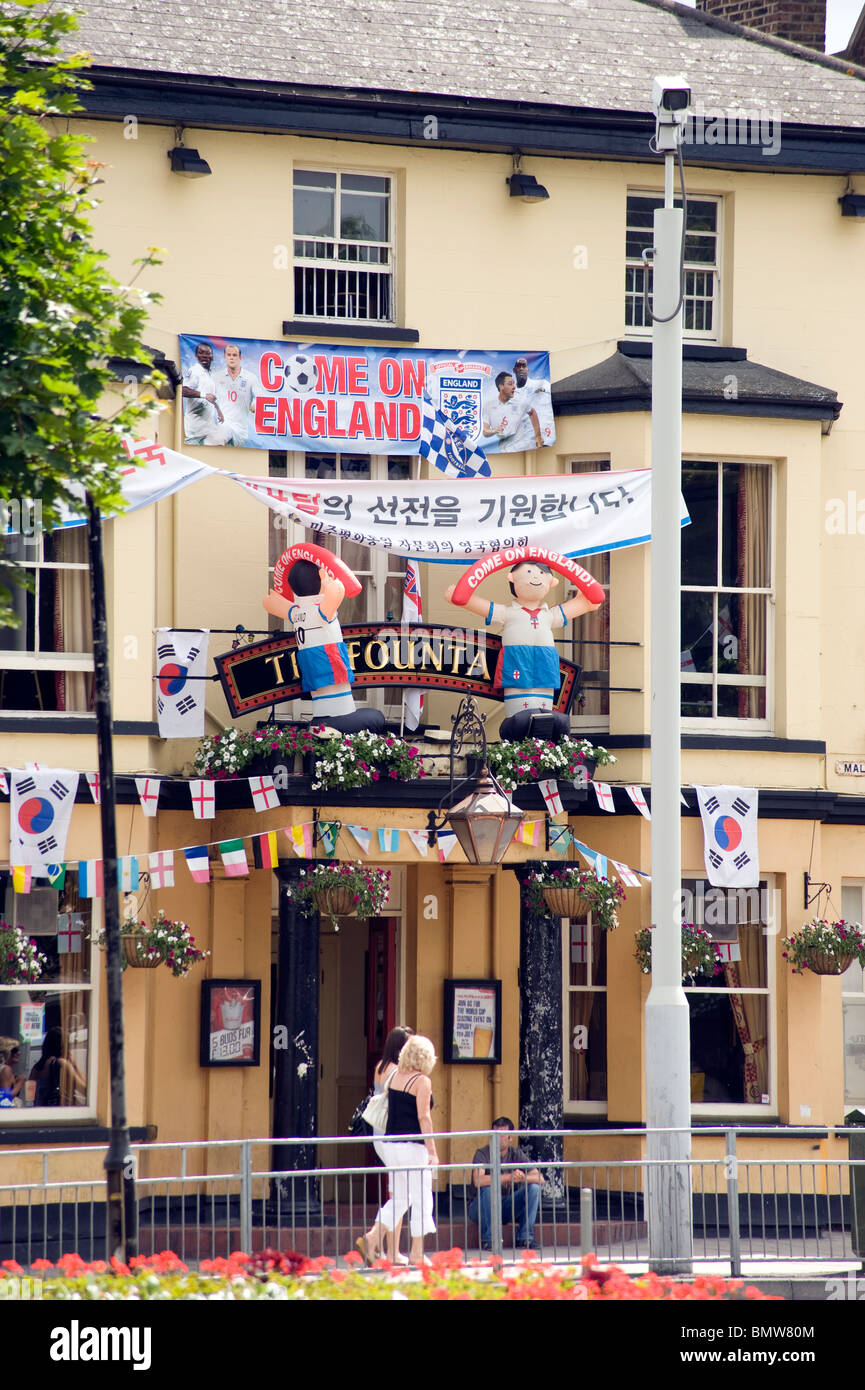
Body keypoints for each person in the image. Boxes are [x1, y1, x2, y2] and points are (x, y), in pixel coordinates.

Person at [445, 559, 602, 741]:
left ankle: (539, 750)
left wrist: (587, 601)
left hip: (544, 665)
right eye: (528, 573)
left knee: (544, 714)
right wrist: (461, 597)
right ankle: (519, 752)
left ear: (551, 582)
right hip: (517, 663)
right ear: (512, 579)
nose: (536, 577)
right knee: (519, 713)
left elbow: (589, 601)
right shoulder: (508, 612)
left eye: (541, 573)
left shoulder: (549, 614)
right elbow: (474, 603)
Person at [262, 556, 385, 732]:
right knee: (377, 718)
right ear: (319, 576)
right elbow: (338, 589)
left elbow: (270, 603)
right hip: (340, 714)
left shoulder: (298, 614)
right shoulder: (322, 612)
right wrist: (329, 579)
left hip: (319, 708)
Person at [374, 1034, 438, 1266]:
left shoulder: (394, 1076)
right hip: (413, 1146)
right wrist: (432, 1150)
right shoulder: (422, 1081)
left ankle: (372, 1237)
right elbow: (424, 1117)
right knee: (422, 1198)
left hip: (391, 1145)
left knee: (401, 1197)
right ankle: (417, 1253)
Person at [355, 1024, 414, 1265]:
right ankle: (377, 1240)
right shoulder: (398, 1070)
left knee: (397, 1191)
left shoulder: (380, 1067)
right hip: (393, 1135)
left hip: (378, 1135)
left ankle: (390, 1250)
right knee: (403, 1193)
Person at [469, 1117, 541, 1251]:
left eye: (501, 1134)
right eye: (494, 1133)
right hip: (479, 1208)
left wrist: (522, 1177)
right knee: (487, 1188)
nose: (497, 1138)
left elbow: (540, 1178)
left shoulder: (516, 1153)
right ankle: (489, 1240)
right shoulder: (483, 1153)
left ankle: (524, 1238)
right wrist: (508, 1177)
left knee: (534, 1188)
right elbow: (478, 1180)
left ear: (510, 1137)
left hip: (505, 1207)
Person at [482, 371, 543, 451]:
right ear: (501, 387)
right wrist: (494, 431)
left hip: (522, 446)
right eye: (510, 384)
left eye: (514, 384)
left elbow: (532, 412)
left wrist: (538, 436)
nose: (514, 387)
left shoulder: (519, 402)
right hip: (503, 449)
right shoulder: (488, 406)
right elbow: (485, 432)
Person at [182, 340, 227, 445]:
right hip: (194, 429)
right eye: (201, 353)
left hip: (209, 426)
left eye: (207, 353)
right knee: (192, 457)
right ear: (196, 356)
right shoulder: (194, 371)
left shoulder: (210, 374)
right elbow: (183, 390)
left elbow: (210, 397)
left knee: (220, 443)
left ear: (212, 356)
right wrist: (203, 395)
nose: (204, 356)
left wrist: (218, 409)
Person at [212, 342, 257, 446]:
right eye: (229, 355)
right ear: (225, 357)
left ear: (240, 358)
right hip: (224, 426)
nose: (231, 358)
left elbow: (260, 397)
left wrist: (255, 404)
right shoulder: (216, 377)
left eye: (234, 355)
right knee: (220, 438)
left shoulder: (250, 378)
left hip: (241, 431)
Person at [29, 1026, 86, 1107]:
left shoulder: (36, 1068)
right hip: (59, 1112)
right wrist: (74, 1065)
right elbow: (85, 1090)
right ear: (62, 1046)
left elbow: (29, 1097)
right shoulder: (62, 1063)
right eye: (68, 1044)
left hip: (40, 1112)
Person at [510, 357, 553, 449]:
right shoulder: (513, 392)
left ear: (528, 370)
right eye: (518, 366)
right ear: (514, 370)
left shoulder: (541, 383)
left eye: (523, 366)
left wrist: (543, 390)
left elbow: (552, 394)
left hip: (545, 433)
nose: (521, 368)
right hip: (524, 438)